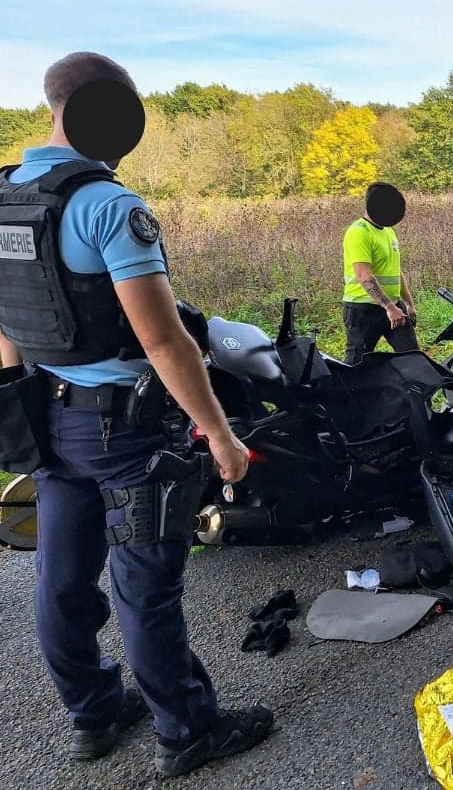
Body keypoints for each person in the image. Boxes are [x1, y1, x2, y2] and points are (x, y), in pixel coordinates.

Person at [0, 53, 272, 777]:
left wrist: (17, 405)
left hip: (47, 416)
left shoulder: (6, 196)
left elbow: (6, 322)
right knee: (144, 585)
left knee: (60, 579)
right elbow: (162, 339)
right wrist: (220, 433)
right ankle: (186, 729)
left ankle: (93, 714)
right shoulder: (108, 206)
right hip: (121, 430)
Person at [341, 182, 418, 364]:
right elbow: (363, 276)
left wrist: (408, 303)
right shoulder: (359, 232)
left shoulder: (389, 232)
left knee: (414, 359)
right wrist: (389, 307)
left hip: (394, 308)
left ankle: (410, 392)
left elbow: (395, 271)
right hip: (362, 311)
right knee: (355, 366)